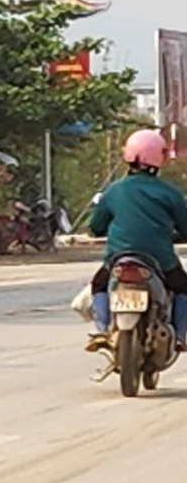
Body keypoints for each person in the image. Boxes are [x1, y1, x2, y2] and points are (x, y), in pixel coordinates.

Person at [85, 128, 187, 350]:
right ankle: (180, 336)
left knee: (98, 286)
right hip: (160, 259)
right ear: (159, 157)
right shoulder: (170, 193)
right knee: (183, 288)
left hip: (118, 259)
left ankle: (102, 331)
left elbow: (95, 226)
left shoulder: (113, 190)